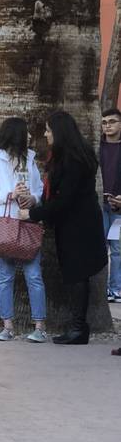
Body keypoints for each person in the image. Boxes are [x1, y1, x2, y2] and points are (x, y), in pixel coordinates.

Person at [21, 111, 107, 345]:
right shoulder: (70, 155)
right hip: (74, 223)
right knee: (76, 274)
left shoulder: (73, 160)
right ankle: (78, 326)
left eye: (49, 130)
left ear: (59, 132)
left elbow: (64, 198)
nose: (46, 134)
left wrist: (33, 214)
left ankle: (79, 327)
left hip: (79, 226)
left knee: (78, 274)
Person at [0, 117, 47, 342]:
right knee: (5, 277)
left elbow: (39, 191)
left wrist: (32, 198)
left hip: (27, 221)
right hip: (4, 224)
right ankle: (7, 326)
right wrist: (10, 195)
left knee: (34, 276)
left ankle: (40, 327)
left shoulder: (30, 160)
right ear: (16, 135)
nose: (28, 136)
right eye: (25, 133)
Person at [99, 108, 121, 301]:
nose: (108, 125)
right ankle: (101, 289)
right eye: (104, 122)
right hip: (100, 203)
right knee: (100, 246)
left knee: (118, 249)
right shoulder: (97, 146)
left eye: (112, 121)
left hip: (119, 207)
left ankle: (116, 289)